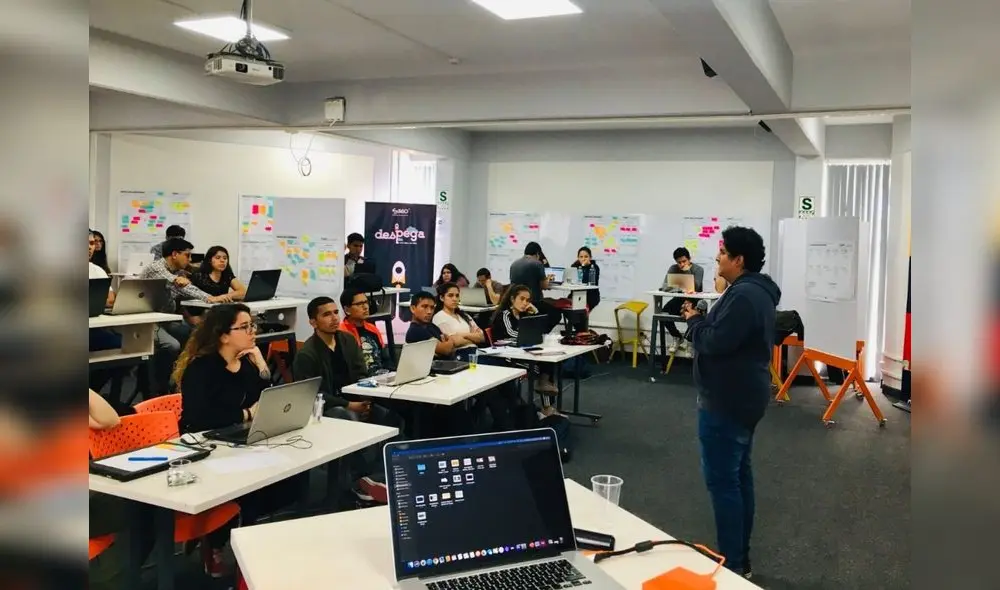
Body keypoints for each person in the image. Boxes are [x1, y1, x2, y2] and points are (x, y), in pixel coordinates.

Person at [679, 226, 780, 580]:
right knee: (738, 478)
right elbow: (722, 332)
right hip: (743, 397)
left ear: (738, 260)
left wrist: (693, 323)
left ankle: (733, 565)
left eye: (723, 252)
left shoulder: (744, 296)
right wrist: (702, 322)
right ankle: (740, 559)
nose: (718, 257)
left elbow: (716, 341)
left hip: (727, 402)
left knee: (725, 483)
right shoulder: (753, 292)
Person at [172, 304, 300, 574]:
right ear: (223, 335)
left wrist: (262, 365)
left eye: (252, 325)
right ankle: (216, 543)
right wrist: (244, 414)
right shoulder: (202, 368)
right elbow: (201, 415)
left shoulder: (245, 362)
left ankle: (246, 533)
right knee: (245, 483)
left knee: (283, 474)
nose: (252, 332)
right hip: (202, 441)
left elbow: (266, 401)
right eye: (244, 327)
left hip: (236, 437)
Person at [294, 296, 401, 502]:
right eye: (326, 314)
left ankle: (376, 474)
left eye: (335, 313)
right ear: (313, 322)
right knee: (347, 417)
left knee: (391, 416)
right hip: (325, 408)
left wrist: (365, 398)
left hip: (354, 399)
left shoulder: (347, 340)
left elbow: (361, 374)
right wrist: (350, 404)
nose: (334, 318)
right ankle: (350, 484)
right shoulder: (307, 353)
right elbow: (313, 393)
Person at [141, 237, 231, 394]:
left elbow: (184, 289)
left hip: (166, 318)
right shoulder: (158, 268)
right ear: (175, 254)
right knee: (172, 345)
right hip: (148, 319)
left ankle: (183, 379)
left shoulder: (178, 272)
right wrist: (210, 298)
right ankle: (161, 386)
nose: (190, 260)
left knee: (195, 335)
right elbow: (182, 287)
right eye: (187, 255)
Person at [490, 284, 560, 398]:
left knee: (549, 359)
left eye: (527, 300)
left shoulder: (524, 315)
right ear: (512, 299)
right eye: (521, 299)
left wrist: (536, 313)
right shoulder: (505, 314)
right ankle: (544, 398)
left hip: (522, 351)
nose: (525, 303)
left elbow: (539, 330)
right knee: (538, 367)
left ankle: (545, 393)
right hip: (507, 356)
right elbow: (510, 333)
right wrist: (529, 337)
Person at [659, 247, 706, 355]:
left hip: (694, 299)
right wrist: (681, 288)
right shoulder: (673, 268)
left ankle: (690, 340)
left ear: (689, 259)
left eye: (684, 261)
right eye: (679, 262)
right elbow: (665, 286)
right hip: (678, 298)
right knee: (663, 313)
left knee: (694, 315)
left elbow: (696, 287)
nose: (681, 264)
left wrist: (687, 271)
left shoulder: (698, 269)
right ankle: (677, 336)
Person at [509, 242, 560, 331]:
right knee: (556, 313)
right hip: (533, 301)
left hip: (517, 302)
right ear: (537, 254)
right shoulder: (537, 263)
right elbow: (544, 286)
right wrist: (548, 279)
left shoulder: (514, 264)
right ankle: (541, 333)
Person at [339, 288, 392, 376]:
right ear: (347, 309)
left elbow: (385, 359)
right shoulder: (341, 332)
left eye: (366, 302)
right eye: (359, 304)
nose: (366, 307)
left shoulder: (373, 329)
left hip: (381, 377)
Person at [433, 282, 487, 361]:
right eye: (450, 295)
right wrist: (473, 337)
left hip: (476, 351)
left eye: (457, 296)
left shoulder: (463, 315)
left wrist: (462, 335)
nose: (455, 299)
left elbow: (482, 337)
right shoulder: (439, 317)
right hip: (459, 354)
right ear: (442, 298)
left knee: (501, 362)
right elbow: (454, 341)